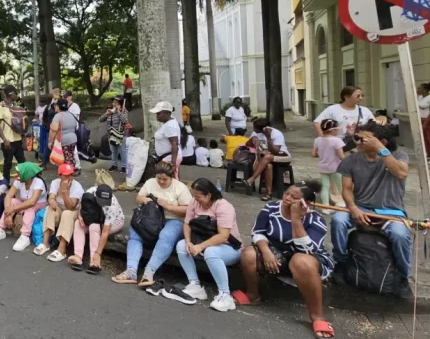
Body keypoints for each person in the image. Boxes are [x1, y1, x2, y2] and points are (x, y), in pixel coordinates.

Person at [238, 181, 335, 338]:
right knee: (248, 254)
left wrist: (296, 219)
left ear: (305, 203)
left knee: (300, 261)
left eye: (294, 197)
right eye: (287, 193)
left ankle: (317, 316)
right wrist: (266, 251)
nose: (288, 198)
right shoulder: (271, 209)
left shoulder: (315, 220)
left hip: (308, 260)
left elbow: (308, 251)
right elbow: (258, 232)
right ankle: (252, 294)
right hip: (277, 254)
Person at [331, 121, 412, 296]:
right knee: (338, 220)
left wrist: (379, 148)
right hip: (360, 207)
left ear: (381, 141)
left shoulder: (399, 155)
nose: (358, 142)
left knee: (400, 235)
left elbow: (401, 173)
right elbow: (346, 189)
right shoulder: (351, 160)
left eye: (363, 139)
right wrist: (352, 208)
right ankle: (340, 263)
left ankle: (403, 276)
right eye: (357, 138)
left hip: (391, 210)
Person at [112, 162, 191, 287]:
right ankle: (131, 270)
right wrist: (144, 200)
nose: (161, 182)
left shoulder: (180, 188)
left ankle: (149, 271)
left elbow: (187, 210)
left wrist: (168, 206)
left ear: (172, 177)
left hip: (173, 219)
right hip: (151, 218)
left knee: (166, 235)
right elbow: (139, 197)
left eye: (165, 179)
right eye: (158, 178)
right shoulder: (150, 182)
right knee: (135, 232)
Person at [173, 179, 242, 312]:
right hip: (202, 241)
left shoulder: (223, 207)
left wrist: (201, 246)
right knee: (181, 245)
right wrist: (188, 241)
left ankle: (225, 295)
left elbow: (223, 236)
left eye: (198, 197)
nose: (195, 200)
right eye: (194, 196)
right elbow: (187, 223)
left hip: (229, 248)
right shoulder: (194, 202)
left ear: (209, 195)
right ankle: (195, 285)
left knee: (211, 252)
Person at [0, 162, 48, 251]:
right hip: (24, 203)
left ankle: (25, 236)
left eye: (19, 173)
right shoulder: (19, 180)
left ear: (27, 174)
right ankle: (0, 229)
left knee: (29, 209)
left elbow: (32, 202)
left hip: (38, 205)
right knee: (12, 201)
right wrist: (8, 214)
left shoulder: (38, 182)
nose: (17, 175)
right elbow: (8, 196)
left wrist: (13, 209)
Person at [69, 183, 125, 274]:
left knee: (94, 227)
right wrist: (80, 216)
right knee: (78, 223)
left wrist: (98, 253)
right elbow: (82, 205)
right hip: (95, 216)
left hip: (114, 221)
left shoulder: (111, 206)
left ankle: (94, 261)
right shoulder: (90, 193)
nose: (103, 204)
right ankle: (78, 257)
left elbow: (105, 232)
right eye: (101, 201)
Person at [35, 163, 84, 261]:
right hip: (60, 210)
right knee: (50, 209)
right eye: (66, 175)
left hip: (73, 212)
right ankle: (45, 243)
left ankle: (62, 249)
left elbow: (71, 206)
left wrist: (65, 191)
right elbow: (52, 197)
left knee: (67, 213)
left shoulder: (77, 186)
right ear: (59, 175)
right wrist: (52, 201)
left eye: (71, 174)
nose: (69, 177)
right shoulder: (55, 182)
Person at [245, 118, 292, 202]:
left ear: (264, 129)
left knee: (267, 157)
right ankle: (268, 193)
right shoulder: (256, 133)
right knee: (268, 166)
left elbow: (275, 151)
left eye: (255, 128)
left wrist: (269, 138)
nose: (254, 130)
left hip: (283, 157)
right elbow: (247, 144)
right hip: (268, 160)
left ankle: (252, 179)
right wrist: (252, 140)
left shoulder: (277, 134)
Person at [312, 119, 346, 213]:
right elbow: (341, 156)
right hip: (336, 167)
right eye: (338, 128)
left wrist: (323, 155)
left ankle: (325, 207)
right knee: (341, 186)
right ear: (332, 130)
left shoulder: (318, 140)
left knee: (325, 186)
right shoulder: (337, 141)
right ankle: (345, 203)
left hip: (323, 167)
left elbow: (314, 154)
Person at [0, 85, 26, 182]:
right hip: (7, 140)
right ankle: (5, 183)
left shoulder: (15, 106)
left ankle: (24, 181)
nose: (17, 95)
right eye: (15, 93)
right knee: (8, 163)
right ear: (10, 94)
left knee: (22, 162)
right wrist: (4, 140)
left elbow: (21, 124)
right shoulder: (1, 106)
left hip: (17, 139)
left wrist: (23, 139)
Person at [148, 101, 181, 179]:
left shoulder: (170, 126)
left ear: (167, 113)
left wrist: (173, 163)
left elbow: (174, 143)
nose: (157, 116)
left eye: (159, 113)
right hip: (166, 156)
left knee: (165, 178)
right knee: (171, 179)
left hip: (169, 157)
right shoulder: (168, 122)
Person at [99, 95, 128, 172]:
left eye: (116, 102)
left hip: (120, 135)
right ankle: (114, 165)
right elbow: (100, 120)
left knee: (122, 151)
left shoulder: (123, 111)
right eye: (113, 102)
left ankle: (124, 166)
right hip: (111, 135)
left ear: (120, 104)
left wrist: (119, 112)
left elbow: (124, 121)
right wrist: (106, 114)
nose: (114, 103)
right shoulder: (110, 111)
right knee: (113, 151)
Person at [49, 98, 80, 168]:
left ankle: (67, 176)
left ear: (58, 106)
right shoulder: (71, 115)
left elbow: (54, 130)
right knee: (70, 158)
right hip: (73, 140)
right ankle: (71, 174)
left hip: (63, 141)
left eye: (55, 105)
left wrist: (50, 142)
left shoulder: (57, 116)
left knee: (64, 161)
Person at [63, 91, 82, 174]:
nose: (65, 98)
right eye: (64, 97)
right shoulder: (64, 106)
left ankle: (77, 166)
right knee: (69, 149)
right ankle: (72, 165)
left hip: (73, 130)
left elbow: (75, 117)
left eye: (66, 96)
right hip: (66, 130)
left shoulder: (75, 106)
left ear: (70, 97)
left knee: (73, 149)